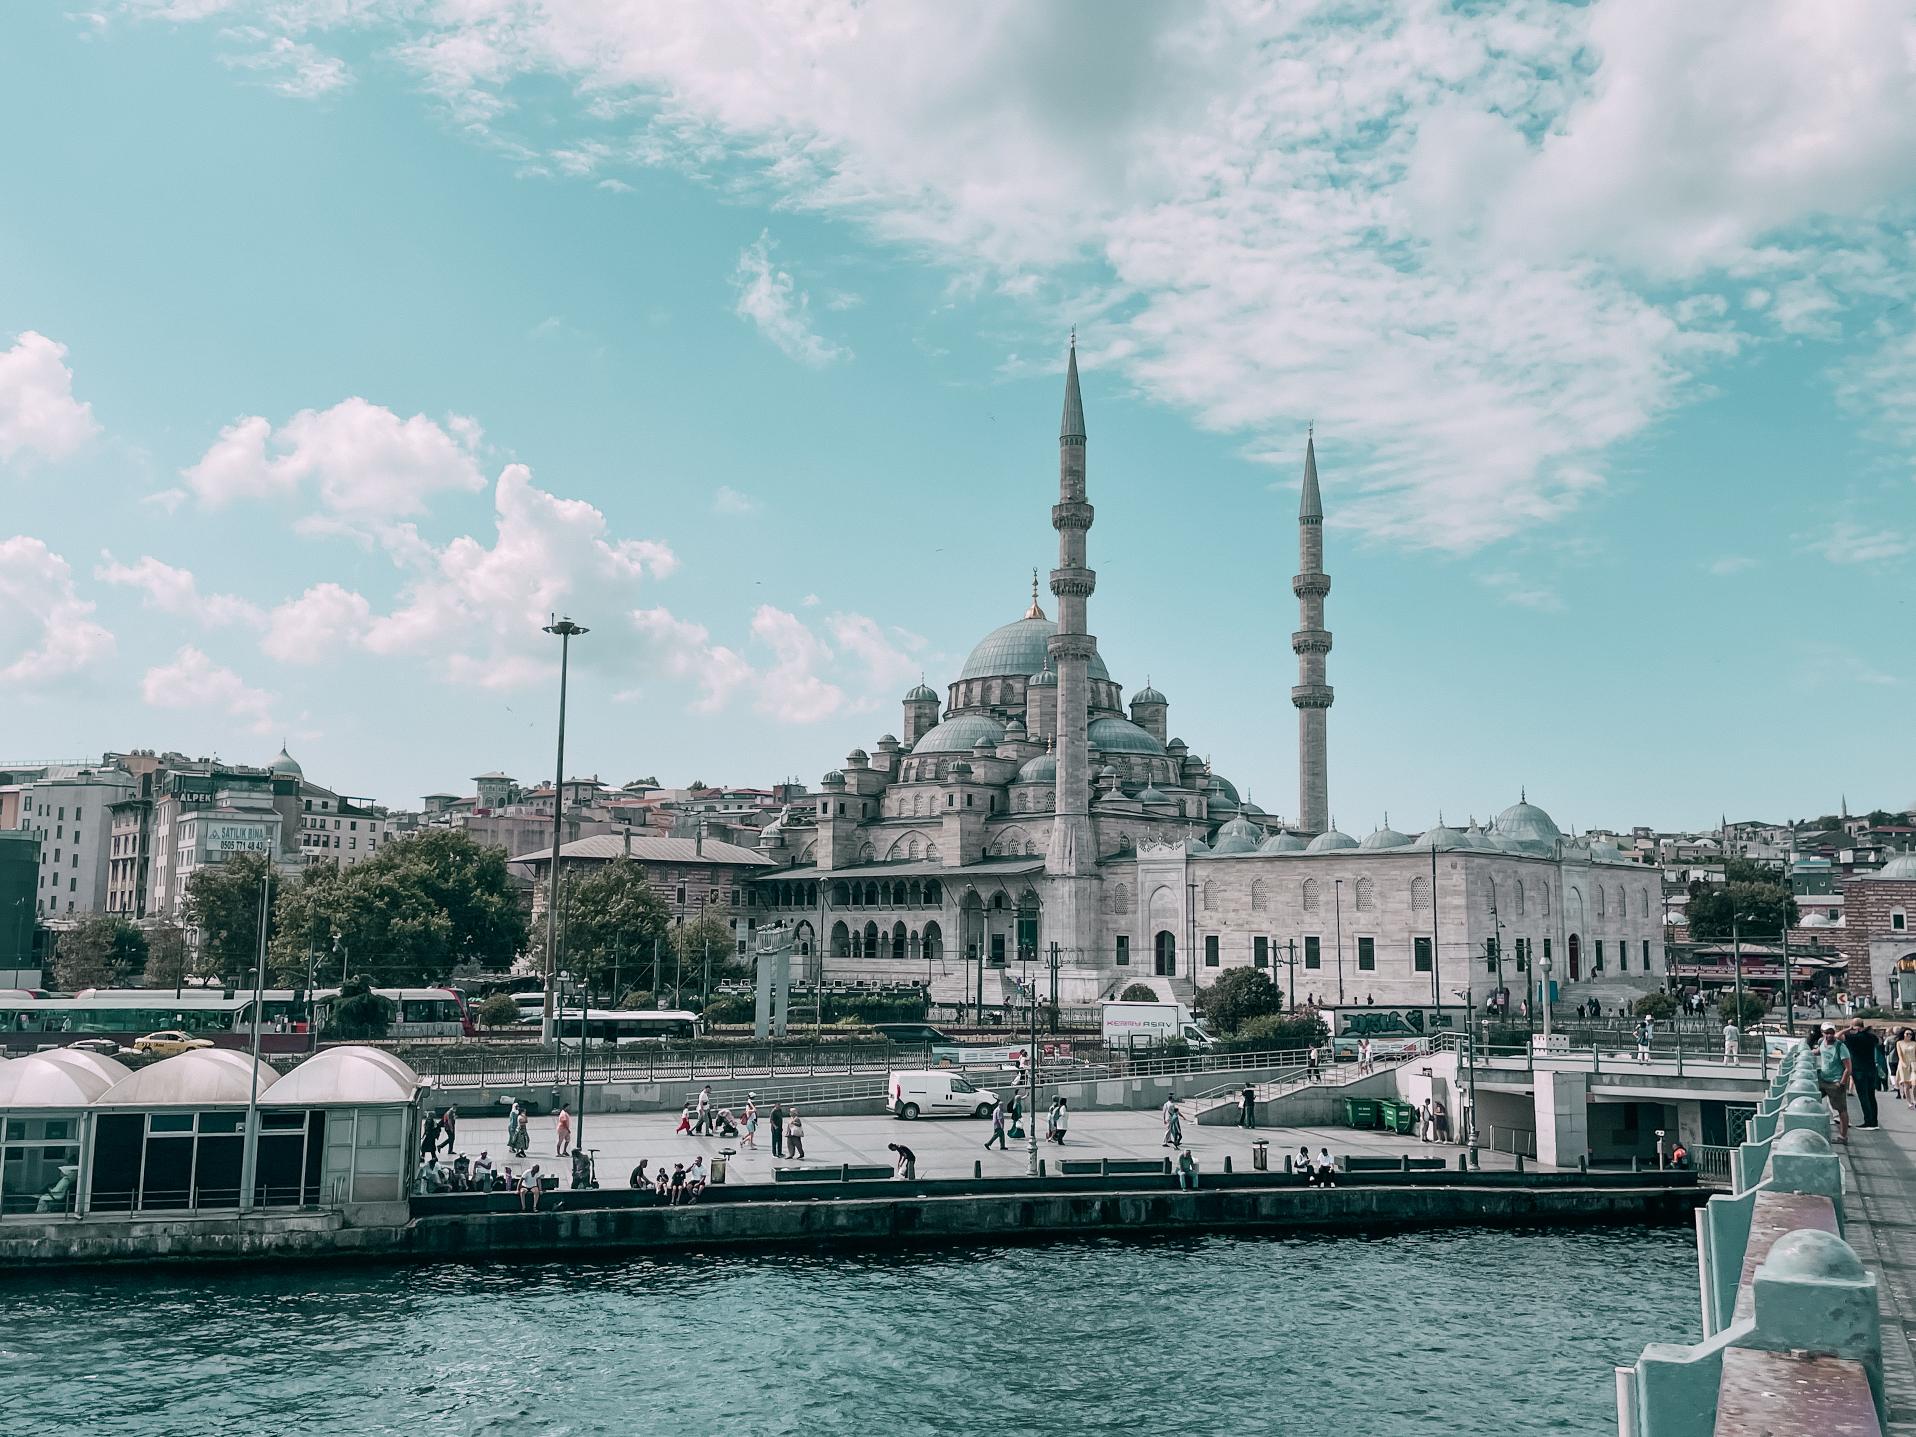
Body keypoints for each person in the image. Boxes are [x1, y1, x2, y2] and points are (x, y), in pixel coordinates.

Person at [1842, 1019, 1886, 1131]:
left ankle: (1868, 1122)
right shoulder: (1871, 1037)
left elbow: (1838, 1036)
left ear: (1854, 1027)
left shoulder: (1853, 1038)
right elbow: (1880, 1041)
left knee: (1863, 1096)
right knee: (1871, 1096)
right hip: (1871, 1069)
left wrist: (1848, 1029)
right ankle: (1874, 1121)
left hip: (1858, 1070)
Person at [1813, 1023, 1852, 1142]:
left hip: (1836, 1082)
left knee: (1841, 1109)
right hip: (1823, 1079)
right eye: (1827, 1033)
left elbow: (1848, 1068)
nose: (1829, 1035)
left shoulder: (1840, 1046)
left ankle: (1843, 1136)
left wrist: (1841, 1083)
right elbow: (1820, 1051)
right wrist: (1809, 1052)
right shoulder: (1821, 1042)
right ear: (1822, 1032)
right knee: (1811, 1099)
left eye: (1831, 1032)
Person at [1897, 1028, 1916, 1110]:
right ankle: (1909, 1102)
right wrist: (1903, 1062)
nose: (1909, 1035)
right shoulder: (1899, 1043)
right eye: (1907, 1034)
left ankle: (1915, 1100)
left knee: (1914, 1083)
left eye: (1910, 1034)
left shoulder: (1914, 1043)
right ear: (1903, 1034)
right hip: (1903, 1064)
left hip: (1913, 1063)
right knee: (1906, 1085)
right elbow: (1899, 1054)